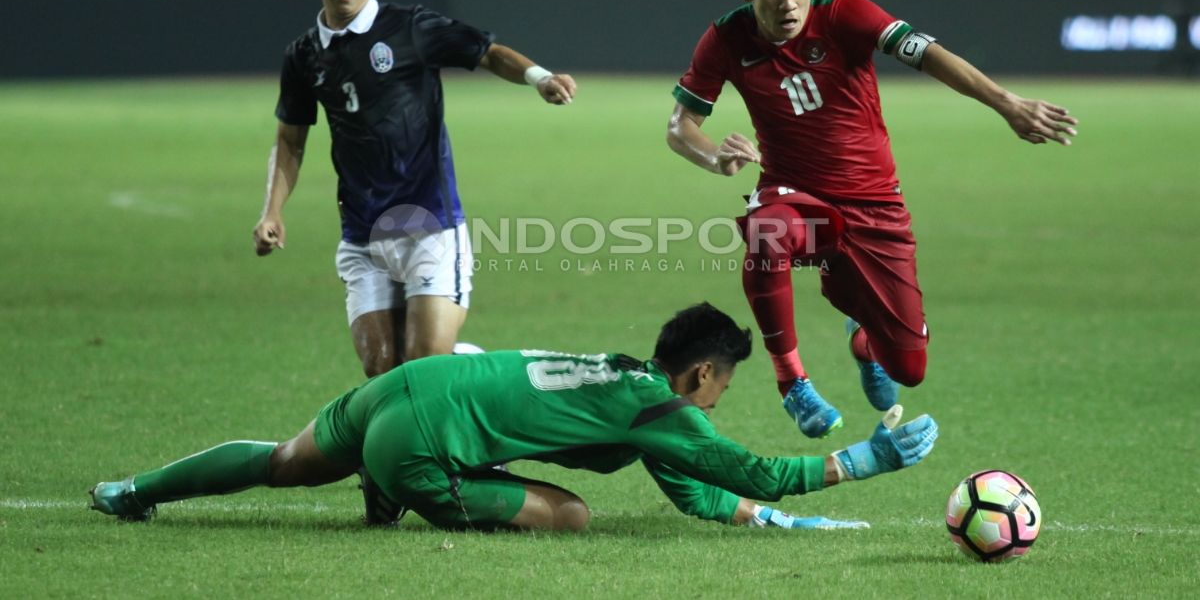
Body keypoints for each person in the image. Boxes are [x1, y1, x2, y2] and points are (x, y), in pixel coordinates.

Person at [666, 0, 1078, 439]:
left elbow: (930, 56)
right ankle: (792, 382)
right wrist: (714, 158)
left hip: (875, 206)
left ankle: (864, 340)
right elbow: (681, 127)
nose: (788, 3)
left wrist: (1006, 104)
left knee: (909, 368)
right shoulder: (727, 38)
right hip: (795, 196)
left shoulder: (846, 15)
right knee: (767, 233)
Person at [89, 303, 938, 531]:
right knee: (570, 517)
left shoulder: (621, 376)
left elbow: (700, 489)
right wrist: (865, 460)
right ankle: (397, 489)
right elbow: (751, 471)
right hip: (419, 443)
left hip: (407, 387)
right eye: (722, 387)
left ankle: (135, 490)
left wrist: (771, 522)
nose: (719, 403)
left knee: (280, 459)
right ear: (703, 373)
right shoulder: (666, 408)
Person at [252, 0, 577, 378]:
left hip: (431, 225)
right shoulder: (303, 56)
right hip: (363, 231)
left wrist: (539, 77)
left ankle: (473, 383)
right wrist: (272, 211)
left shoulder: (410, 28)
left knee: (424, 367)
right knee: (381, 370)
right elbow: (291, 141)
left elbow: (487, 54)